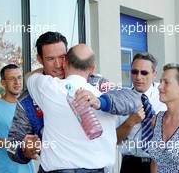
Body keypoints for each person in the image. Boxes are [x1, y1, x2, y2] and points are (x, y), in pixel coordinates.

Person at [27, 44, 140, 173]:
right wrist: (102, 102)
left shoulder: (48, 87)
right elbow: (135, 100)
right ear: (91, 69)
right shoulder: (103, 93)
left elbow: (30, 77)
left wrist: (100, 101)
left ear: (65, 62)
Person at [7, 32, 109, 163]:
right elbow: (10, 147)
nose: (58, 64)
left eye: (62, 57)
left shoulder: (95, 83)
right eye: (50, 59)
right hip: (55, 168)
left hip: (96, 168)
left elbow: (124, 101)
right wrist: (24, 150)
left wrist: (102, 102)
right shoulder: (27, 99)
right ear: (39, 59)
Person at [74, 52, 166, 173]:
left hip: (159, 163)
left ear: (154, 74)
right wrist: (130, 122)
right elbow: (114, 139)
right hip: (130, 164)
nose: (138, 77)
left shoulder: (165, 95)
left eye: (144, 73)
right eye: (134, 72)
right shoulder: (120, 99)